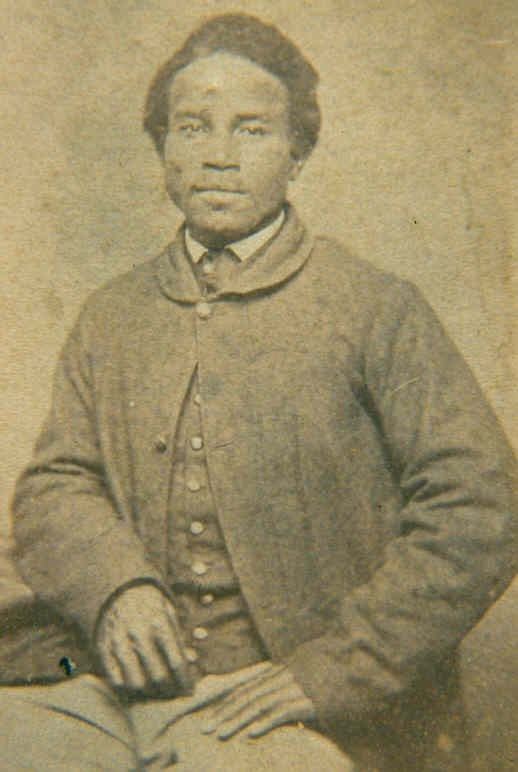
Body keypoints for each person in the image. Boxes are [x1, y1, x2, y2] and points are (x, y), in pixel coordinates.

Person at [2, 12, 517, 771]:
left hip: (300, 711)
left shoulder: (375, 306)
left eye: (250, 131)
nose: (217, 157)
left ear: (297, 153)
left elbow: (481, 508)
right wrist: (116, 590)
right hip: (115, 688)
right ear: (162, 149)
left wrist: (331, 670)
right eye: (191, 127)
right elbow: (55, 484)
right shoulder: (111, 315)